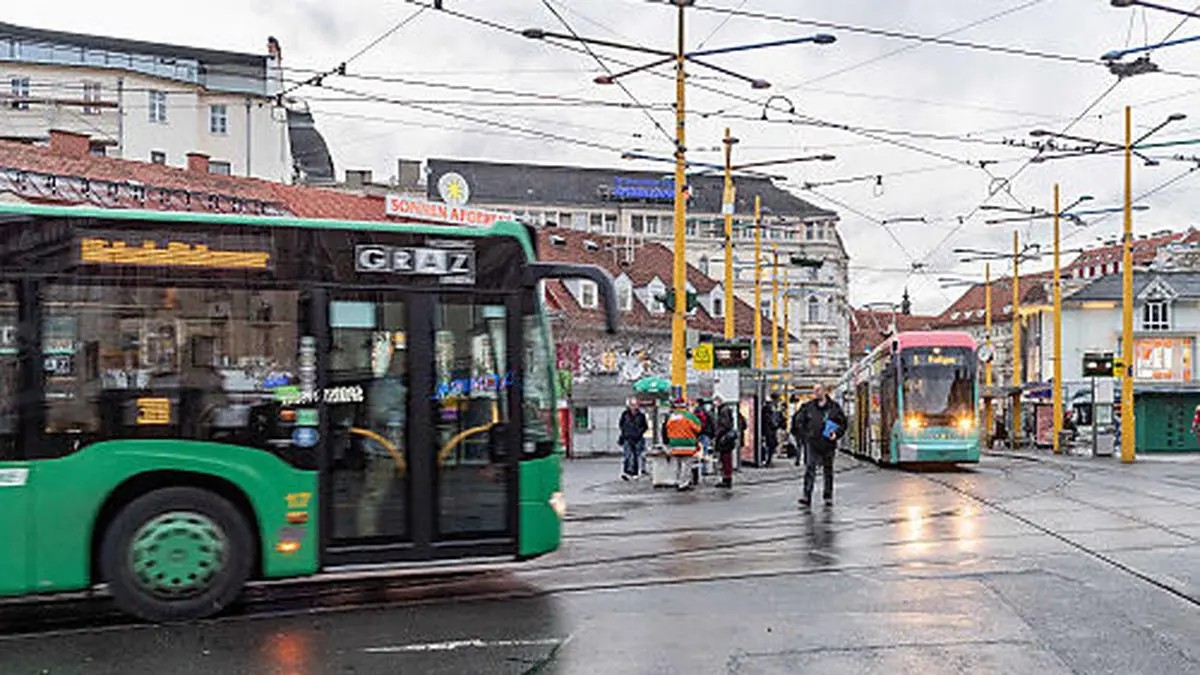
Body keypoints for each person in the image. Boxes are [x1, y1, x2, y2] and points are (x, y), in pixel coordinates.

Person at [792, 384, 847, 507]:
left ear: (824, 391)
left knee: (828, 470)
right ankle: (807, 496)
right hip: (812, 443)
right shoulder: (808, 407)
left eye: (818, 390)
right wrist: (805, 435)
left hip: (828, 443)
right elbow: (798, 420)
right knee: (810, 468)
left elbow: (843, 423)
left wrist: (836, 434)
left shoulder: (834, 407)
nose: (815, 392)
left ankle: (828, 496)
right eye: (814, 390)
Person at [662, 397, 702, 490]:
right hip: (687, 443)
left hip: (674, 444)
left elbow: (666, 429)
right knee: (686, 465)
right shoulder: (689, 416)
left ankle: (677, 481)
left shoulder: (671, 417)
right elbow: (698, 428)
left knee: (678, 464)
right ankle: (683, 484)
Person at [618, 398, 649, 480]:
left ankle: (635, 472)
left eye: (635, 405)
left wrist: (639, 432)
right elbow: (621, 424)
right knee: (627, 455)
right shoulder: (625, 414)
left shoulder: (641, 415)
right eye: (632, 405)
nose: (634, 407)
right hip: (627, 437)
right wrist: (625, 432)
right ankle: (626, 472)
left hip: (638, 438)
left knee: (636, 456)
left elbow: (645, 426)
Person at [713, 394, 738, 489]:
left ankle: (727, 480)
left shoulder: (723, 411)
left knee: (726, 460)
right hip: (725, 439)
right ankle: (726, 479)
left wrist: (718, 434)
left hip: (725, 440)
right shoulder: (724, 410)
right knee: (725, 460)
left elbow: (724, 425)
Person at [761, 395, 781, 467]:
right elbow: (773, 424)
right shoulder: (768, 415)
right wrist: (777, 424)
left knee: (769, 447)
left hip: (767, 433)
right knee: (770, 447)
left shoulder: (764, 414)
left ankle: (767, 461)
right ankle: (768, 461)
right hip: (769, 434)